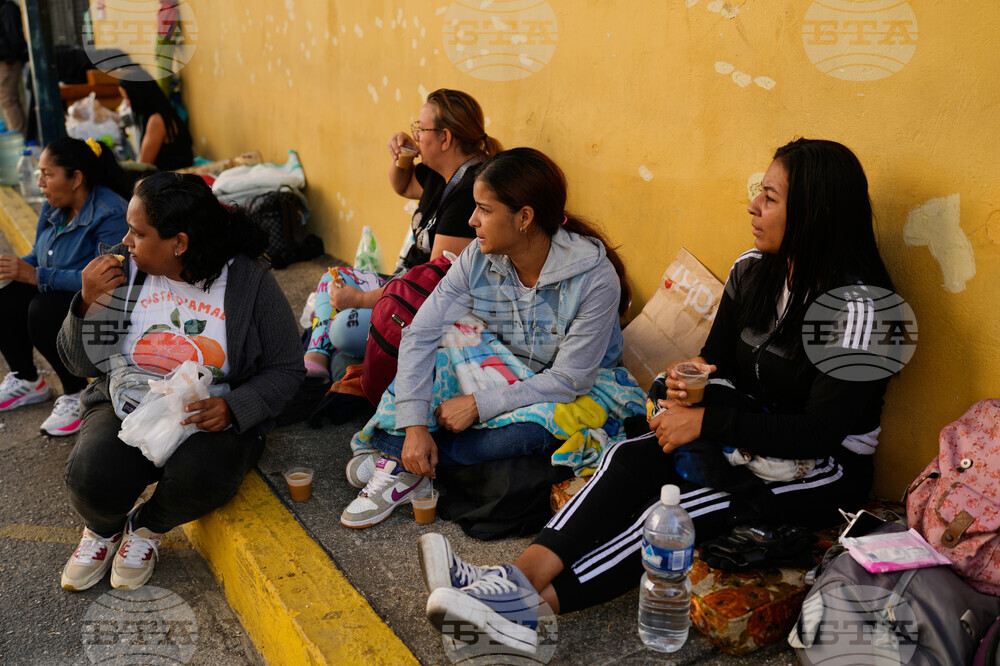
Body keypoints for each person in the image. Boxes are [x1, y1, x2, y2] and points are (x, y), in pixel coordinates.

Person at [417, 139, 896, 651]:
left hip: (823, 467)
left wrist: (704, 422)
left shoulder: (862, 312)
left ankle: (525, 615)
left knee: (686, 508)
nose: (753, 206)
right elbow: (716, 361)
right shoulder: (754, 269)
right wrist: (683, 385)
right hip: (745, 431)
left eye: (771, 198)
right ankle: (512, 579)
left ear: (817, 213)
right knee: (628, 458)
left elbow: (820, 432)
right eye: (760, 192)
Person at [340, 147, 631, 529]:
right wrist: (414, 427)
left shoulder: (594, 278)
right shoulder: (476, 258)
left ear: (524, 218)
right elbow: (422, 333)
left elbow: (569, 379)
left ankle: (399, 460)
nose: (472, 219)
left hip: (571, 389)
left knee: (531, 432)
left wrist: (477, 405)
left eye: (484, 209)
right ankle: (407, 454)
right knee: (443, 345)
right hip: (499, 365)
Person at [56, 172, 303, 591]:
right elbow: (83, 363)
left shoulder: (248, 282)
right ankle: (103, 530)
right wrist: (87, 304)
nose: (126, 242)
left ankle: (146, 528)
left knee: (206, 474)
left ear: (180, 243)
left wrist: (235, 408)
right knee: (90, 474)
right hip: (126, 402)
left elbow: (287, 368)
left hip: (207, 412)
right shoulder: (121, 271)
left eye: (138, 233)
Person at [303, 89, 503, 378]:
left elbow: (432, 286)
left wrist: (360, 300)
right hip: (403, 284)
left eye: (421, 129)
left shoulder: (468, 192)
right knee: (330, 281)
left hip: (426, 306)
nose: (415, 135)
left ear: (445, 138)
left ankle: (328, 359)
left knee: (343, 329)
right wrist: (404, 155)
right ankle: (317, 359)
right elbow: (403, 185)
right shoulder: (442, 174)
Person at [0, 137, 130, 435]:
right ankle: (27, 379)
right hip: (66, 293)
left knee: (42, 309)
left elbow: (110, 277)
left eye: (47, 174)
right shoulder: (53, 208)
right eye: (40, 174)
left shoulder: (110, 212)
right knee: (7, 296)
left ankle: (76, 394)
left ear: (76, 178)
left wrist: (38, 276)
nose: (40, 183)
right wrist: (13, 268)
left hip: (107, 306)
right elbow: (39, 255)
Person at [118, 76, 193, 171]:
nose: (127, 104)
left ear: (139, 96)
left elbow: (143, 166)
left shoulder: (157, 120)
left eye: (128, 98)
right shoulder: (163, 111)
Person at [0, 0, 27, 133]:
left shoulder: (7, 9)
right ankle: (18, 133)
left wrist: (10, 60)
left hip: (9, 62)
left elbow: (14, 39)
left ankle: (18, 135)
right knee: (9, 100)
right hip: (7, 61)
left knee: (8, 100)